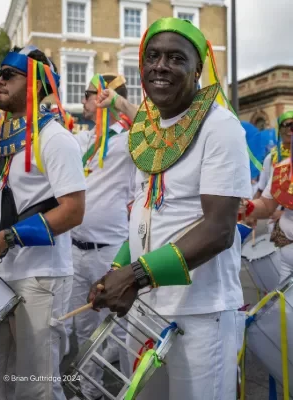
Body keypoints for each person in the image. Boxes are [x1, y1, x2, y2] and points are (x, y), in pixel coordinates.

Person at [88, 17, 251, 400]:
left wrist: (134, 276)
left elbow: (219, 230)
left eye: (176, 58)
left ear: (198, 70)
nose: (160, 66)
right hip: (145, 310)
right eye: (153, 56)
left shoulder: (220, 126)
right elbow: (147, 211)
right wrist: (116, 272)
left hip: (200, 314)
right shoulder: (148, 127)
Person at [0, 46, 86, 400]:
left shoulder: (56, 138)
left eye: (7, 75)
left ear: (34, 84)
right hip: (3, 275)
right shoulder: (4, 137)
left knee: (37, 387)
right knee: (0, 382)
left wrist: (7, 238)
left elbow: (73, 210)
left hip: (41, 277)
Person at [67, 73, 136, 400]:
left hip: (110, 253)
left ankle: (127, 391)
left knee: (120, 328)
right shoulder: (83, 138)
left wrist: (120, 103)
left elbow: (155, 126)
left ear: (105, 96)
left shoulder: (128, 139)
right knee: (83, 329)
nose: (83, 100)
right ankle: (89, 391)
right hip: (76, 251)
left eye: (89, 94)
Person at [240, 114, 293, 284]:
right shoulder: (283, 167)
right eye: (287, 126)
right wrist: (242, 207)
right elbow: (266, 204)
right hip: (286, 255)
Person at [252, 111, 293, 231]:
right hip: (275, 226)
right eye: (286, 125)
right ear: (279, 130)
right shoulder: (272, 159)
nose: (290, 129)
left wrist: (286, 216)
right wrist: (251, 210)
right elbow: (262, 191)